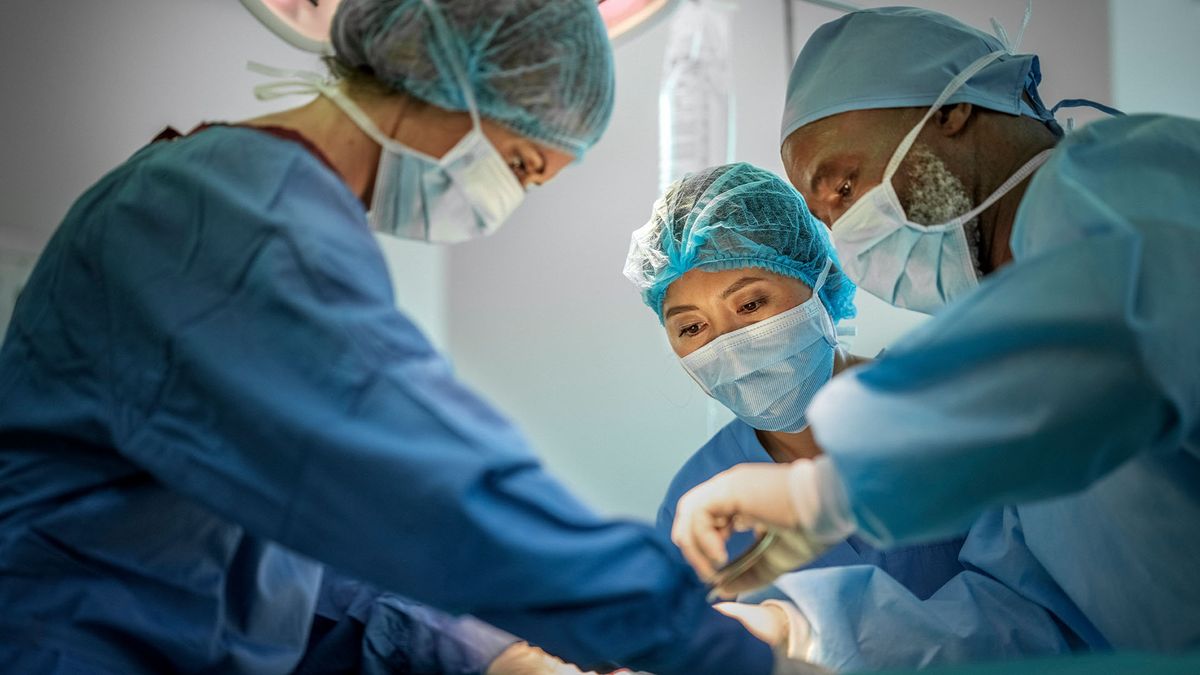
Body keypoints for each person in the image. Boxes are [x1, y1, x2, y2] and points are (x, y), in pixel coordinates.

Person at [0, 1, 800, 673]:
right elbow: (438, 494)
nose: (506, 201)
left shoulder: (271, 217)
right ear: (449, 76)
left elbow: (307, 559)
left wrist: (489, 654)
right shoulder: (224, 221)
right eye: (521, 165)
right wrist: (710, 648)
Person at [670, 5, 1200, 671]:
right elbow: (1032, 609)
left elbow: (1120, 332)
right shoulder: (1015, 313)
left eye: (844, 181)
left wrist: (827, 490)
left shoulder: (1120, 186)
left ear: (952, 111)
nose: (847, 223)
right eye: (824, 210)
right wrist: (799, 629)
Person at [623, 162, 965, 612]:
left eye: (750, 303)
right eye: (692, 328)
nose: (729, 346)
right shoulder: (697, 498)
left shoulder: (948, 407)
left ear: (820, 281)